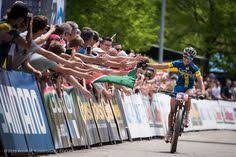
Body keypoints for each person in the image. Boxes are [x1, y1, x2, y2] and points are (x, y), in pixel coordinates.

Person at [148, 46, 205, 143]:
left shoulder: (195, 68)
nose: (186, 60)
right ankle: (170, 131)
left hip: (189, 88)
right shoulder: (178, 63)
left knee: (188, 96)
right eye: (185, 57)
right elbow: (163, 66)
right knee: (172, 110)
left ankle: (186, 115)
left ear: (192, 59)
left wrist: (202, 92)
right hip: (178, 87)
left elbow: (200, 81)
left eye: (189, 58)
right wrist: (149, 65)